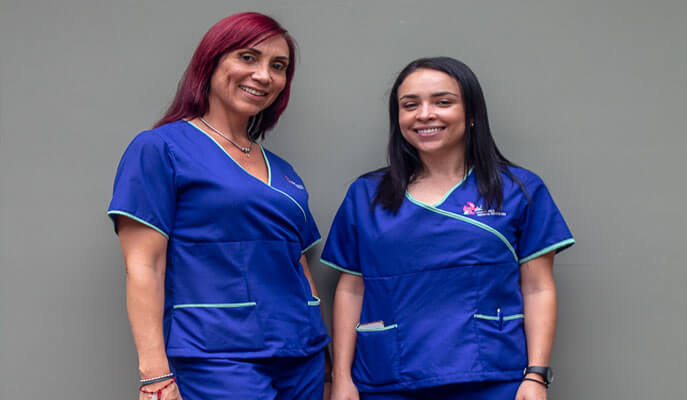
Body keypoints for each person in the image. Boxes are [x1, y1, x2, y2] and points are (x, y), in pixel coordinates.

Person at [322, 57, 574, 400]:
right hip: (389, 380)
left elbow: (538, 287)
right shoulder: (366, 194)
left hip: (493, 379)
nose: (425, 114)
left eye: (443, 102)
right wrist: (341, 378)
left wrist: (536, 375)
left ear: (472, 114)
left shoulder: (517, 189)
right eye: (410, 105)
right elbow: (351, 289)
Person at [107, 12, 329, 400]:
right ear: (210, 62)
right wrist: (154, 376)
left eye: (278, 66)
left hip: (303, 355)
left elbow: (298, 262)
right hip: (217, 356)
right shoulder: (161, 148)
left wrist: (324, 361)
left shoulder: (283, 171)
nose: (264, 75)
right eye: (247, 57)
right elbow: (145, 265)